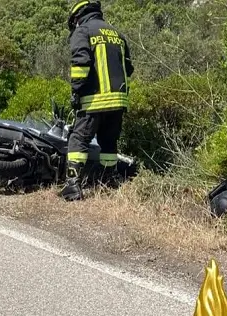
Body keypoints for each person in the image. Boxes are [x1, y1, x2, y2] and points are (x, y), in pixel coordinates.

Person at [61, 0, 134, 201]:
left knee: (79, 139)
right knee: (109, 142)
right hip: (118, 101)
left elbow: (81, 65)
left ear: (77, 17)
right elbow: (129, 69)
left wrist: (76, 91)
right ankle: (109, 181)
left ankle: (72, 185)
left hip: (94, 100)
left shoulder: (83, 31)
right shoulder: (117, 34)